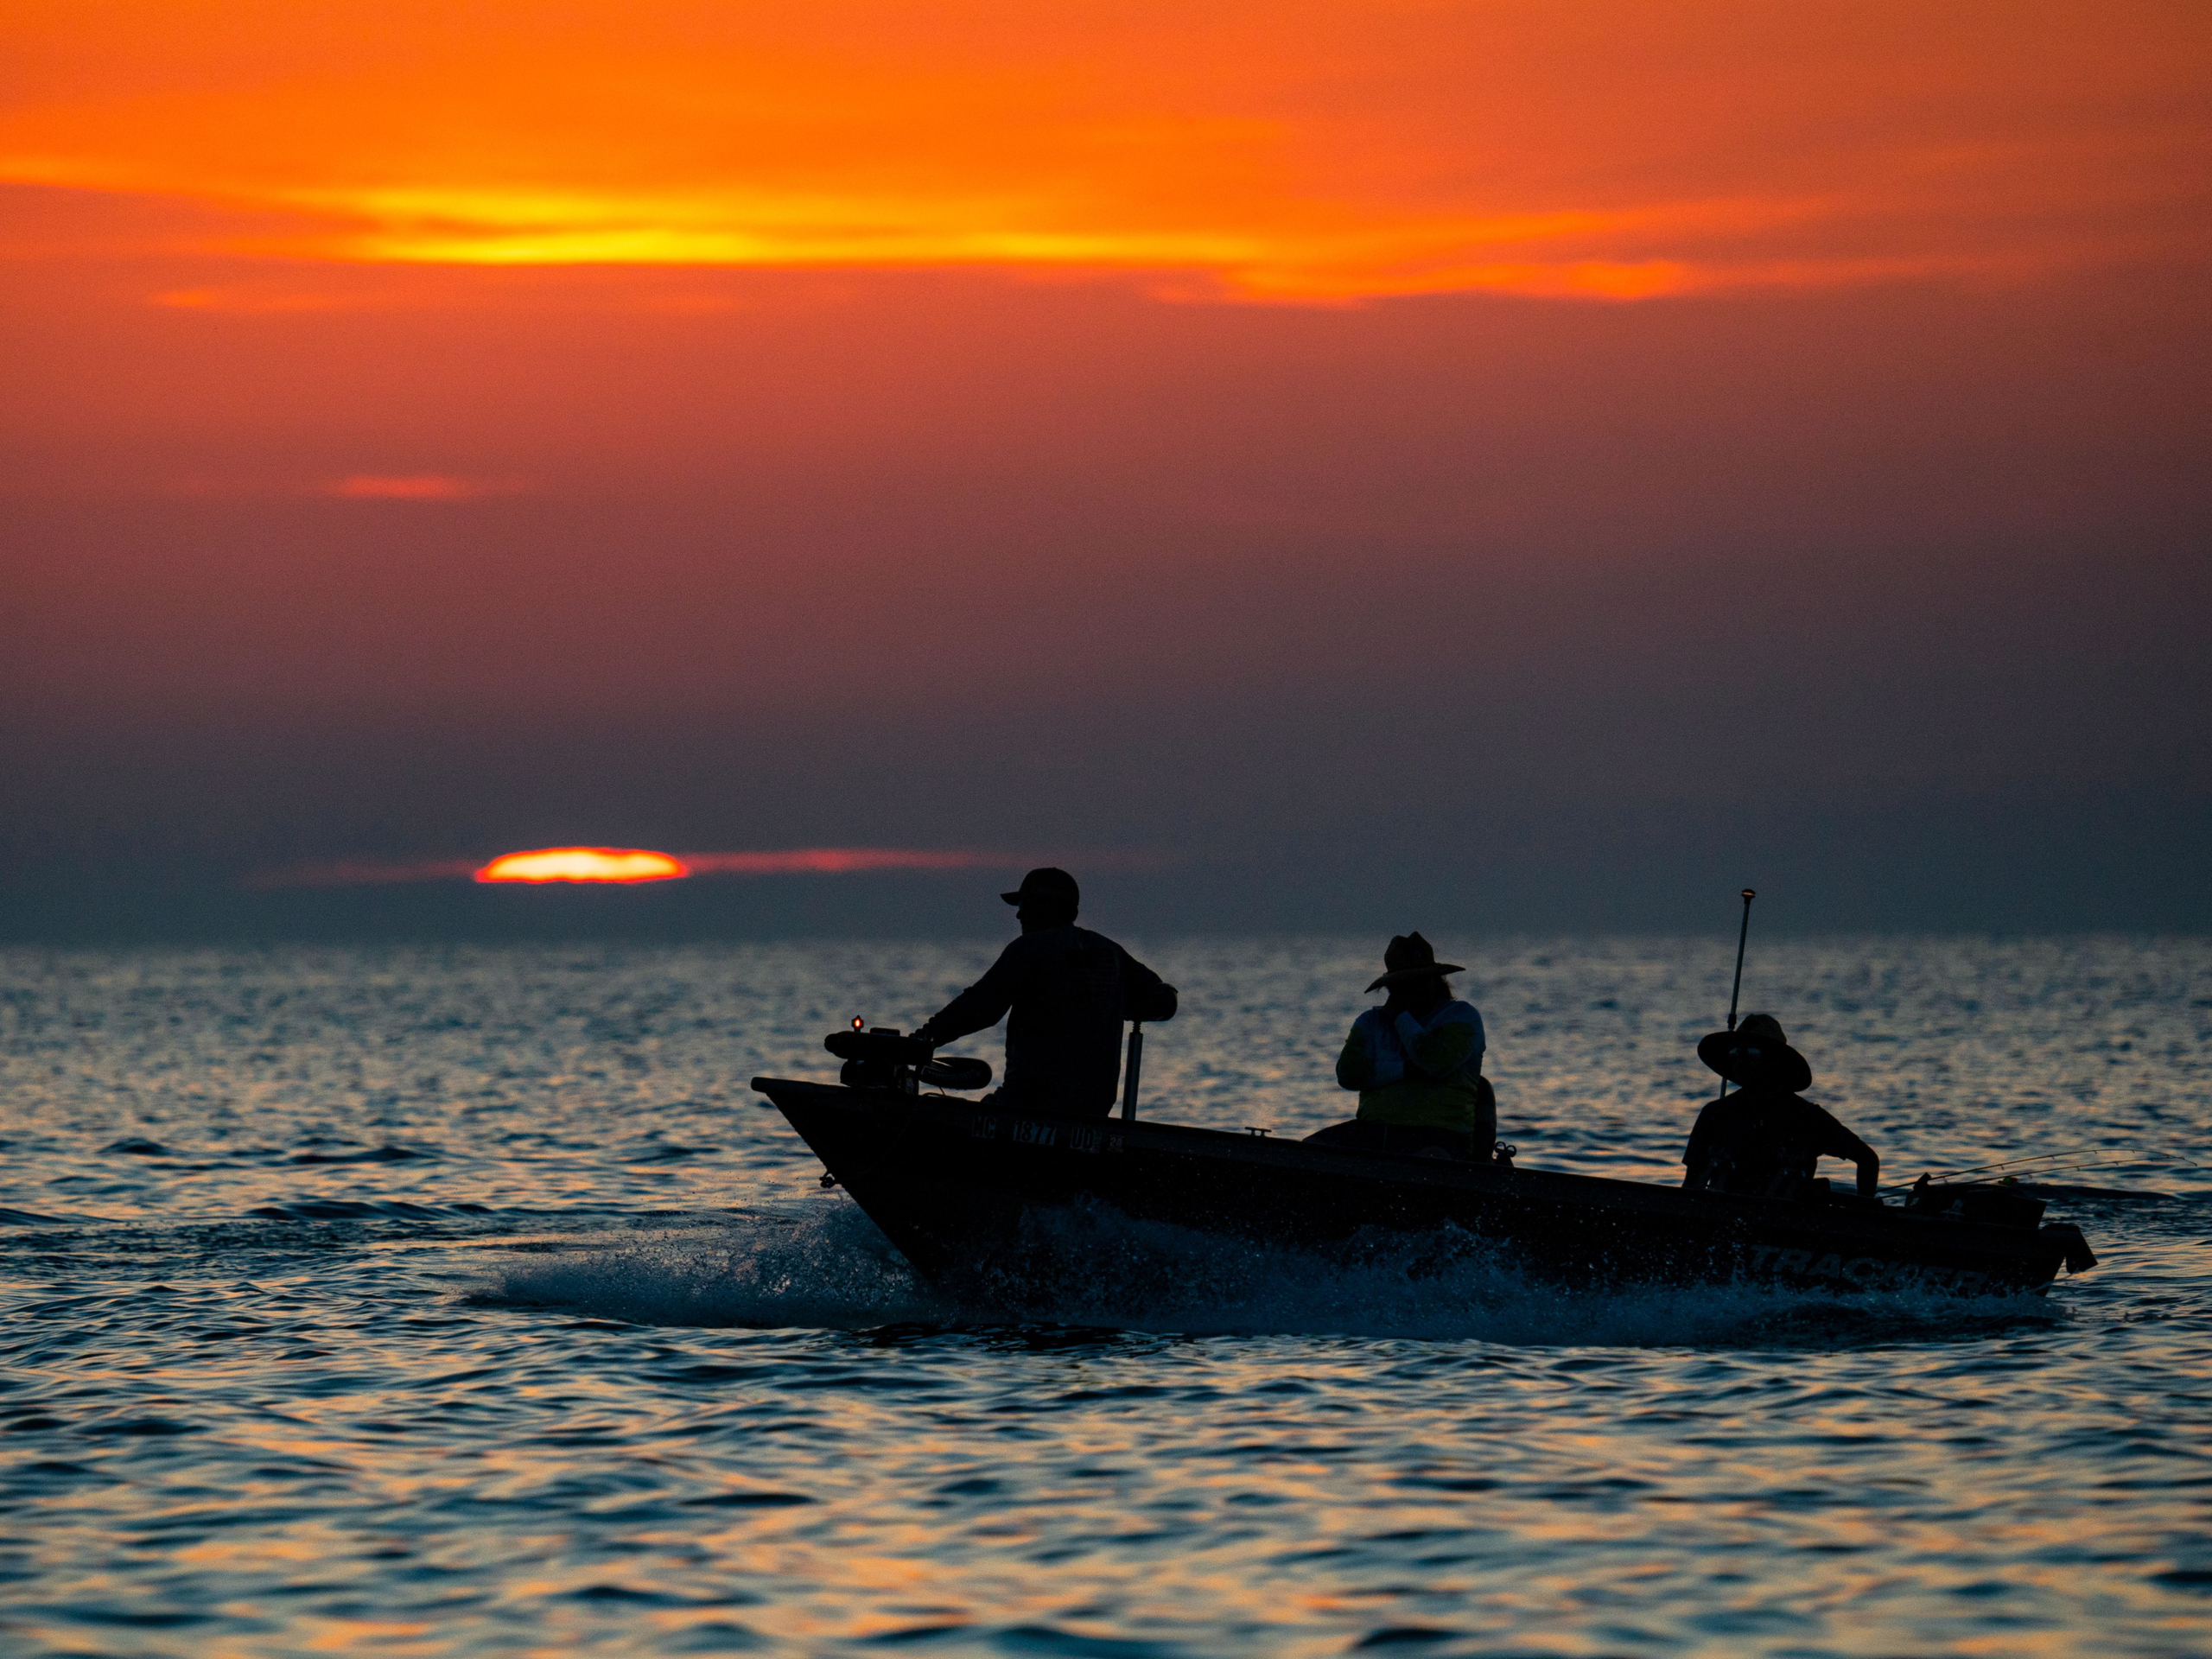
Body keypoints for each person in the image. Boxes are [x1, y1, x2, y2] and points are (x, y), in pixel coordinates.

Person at [912, 868, 1176, 1116]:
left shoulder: (1029, 948)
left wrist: (921, 1041)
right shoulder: (1110, 953)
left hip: (1028, 1107)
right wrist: (1110, 1003)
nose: (1018, 915)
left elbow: (980, 1007)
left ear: (1045, 907)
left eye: (1023, 905)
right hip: (1093, 1111)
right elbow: (1164, 999)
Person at [1306, 932, 1495, 1160]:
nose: (1417, 987)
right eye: (1407, 982)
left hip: (1441, 1136)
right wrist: (1407, 1070)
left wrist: (1400, 1017)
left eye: (1423, 978)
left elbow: (1435, 1063)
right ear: (1393, 987)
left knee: (1429, 1160)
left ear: (1436, 979)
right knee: (1307, 1150)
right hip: (1372, 1132)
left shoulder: (1462, 1017)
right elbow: (1348, 1074)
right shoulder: (1371, 1022)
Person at [1681, 1013, 1879, 1200]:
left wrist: (1865, 1211)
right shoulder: (1714, 1114)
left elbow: (1867, 1159)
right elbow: (1690, 1187)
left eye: (1752, 1052)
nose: (1741, 1059)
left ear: (1774, 1062)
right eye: (1736, 1052)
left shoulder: (1807, 1117)